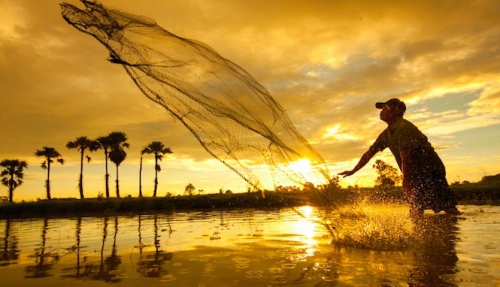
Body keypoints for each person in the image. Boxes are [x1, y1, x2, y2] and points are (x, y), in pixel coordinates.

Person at [339, 98, 460, 219]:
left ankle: (454, 228)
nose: (381, 112)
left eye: (385, 108)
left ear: (396, 111)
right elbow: (369, 153)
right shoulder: (387, 133)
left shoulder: (404, 128)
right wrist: (353, 171)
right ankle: (419, 234)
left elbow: (406, 157)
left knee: (445, 205)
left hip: (430, 170)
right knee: (416, 205)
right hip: (415, 173)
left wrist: (406, 181)